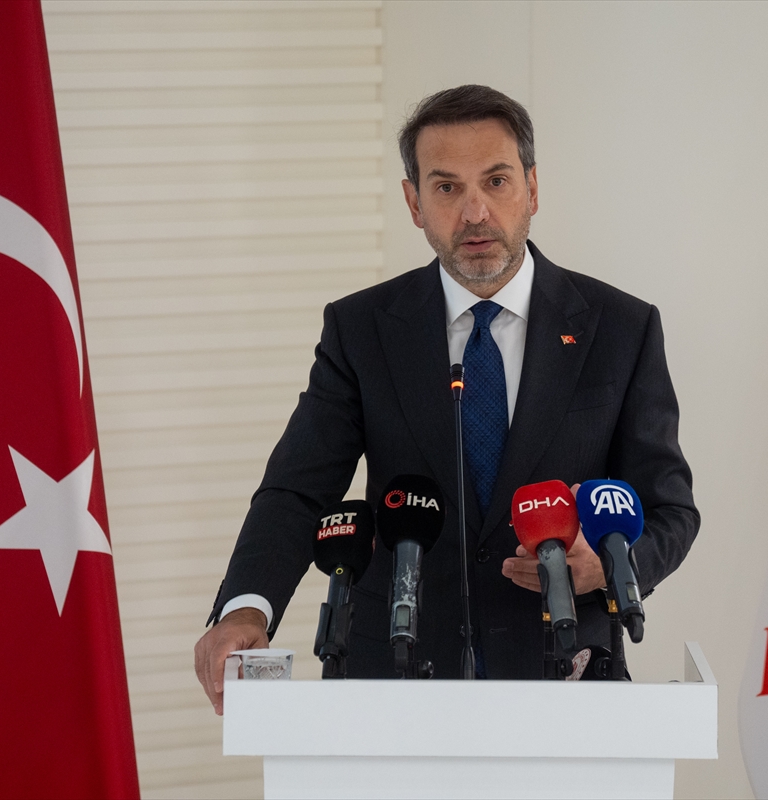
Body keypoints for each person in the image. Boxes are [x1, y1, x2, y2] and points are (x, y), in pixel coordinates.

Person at [194, 85, 699, 710]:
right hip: (394, 680)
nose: (475, 212)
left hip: (564, 678)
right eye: (447, 188)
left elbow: (671, 509)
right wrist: (246, 608)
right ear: (414, 202)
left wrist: (609, 566)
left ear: (532, 188)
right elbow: (298, 489)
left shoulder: (620, 328)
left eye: (496, 182)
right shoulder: (362, 329)